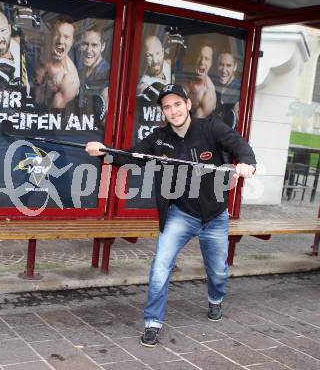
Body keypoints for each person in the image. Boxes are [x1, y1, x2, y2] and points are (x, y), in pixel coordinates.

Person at [85, 83, 256, 348]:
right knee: (160, 267)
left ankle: (215, 299)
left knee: (219, 271)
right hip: (181, 215)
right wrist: (104, 152)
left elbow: (239, 145)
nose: (173, 110)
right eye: (167, 107)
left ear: (188, 105)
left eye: (178, 104)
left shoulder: (211, 128)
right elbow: (132, 157)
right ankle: (152, 322)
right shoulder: (158, 138)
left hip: (214, 216)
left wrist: (247, 164)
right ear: (163, 112)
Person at [33, 16, 80, 109]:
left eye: (66, 37)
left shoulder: (70, 80)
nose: (60, 41)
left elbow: (52, 116)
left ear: (72, 42)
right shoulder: (44, 57)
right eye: (57, 34)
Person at [78, 25, 110, 121]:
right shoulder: (80, 72)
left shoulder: (107, 73)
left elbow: (105, 117)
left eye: (94, 45)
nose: (88, 50)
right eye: (85, 44)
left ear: (102, 46)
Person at [183, 42, 217, 119]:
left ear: (211, 63)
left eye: (206, 59)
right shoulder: (186, 80)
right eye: (200, 56)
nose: (202, 62)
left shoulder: (208, 95)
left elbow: (193, 125)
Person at [137, 35, 171, 101]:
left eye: (158, 53)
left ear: (163, 52)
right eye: (149, 55)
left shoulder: (168, 66)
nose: (155, 61)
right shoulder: (145, 83)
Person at [214, 50, 241, 128]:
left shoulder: (240, 90)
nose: (224, 70)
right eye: (221, 65)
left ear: (235, 67)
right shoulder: (212, 86)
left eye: (228, 65)